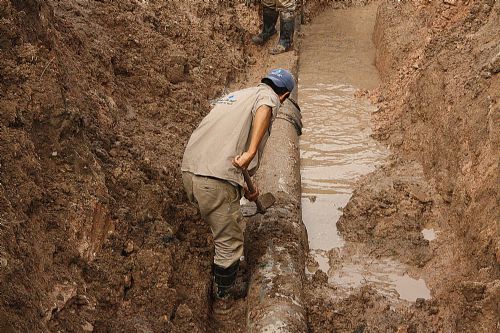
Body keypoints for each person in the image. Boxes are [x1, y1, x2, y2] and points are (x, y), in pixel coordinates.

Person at [181, 69, 295, 309]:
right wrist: (251, 152)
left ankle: (222, 268)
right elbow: (266, 107)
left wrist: (242, 186)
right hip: (213, 182)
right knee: (230, 240)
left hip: (191, 172)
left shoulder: (237, 96)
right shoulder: (268, 98)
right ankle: (223, 298)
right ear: (283, 97)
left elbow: (224, 146)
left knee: (222, 219)